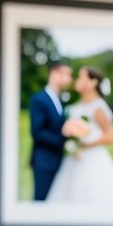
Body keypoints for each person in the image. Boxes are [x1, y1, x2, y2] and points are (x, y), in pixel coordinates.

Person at [47, 66, 113, 205]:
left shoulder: (98, 107)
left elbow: (111, 137)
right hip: (73, 159)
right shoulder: (73, 107)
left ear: (93, 83)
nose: (77, 80)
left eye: (81, 77)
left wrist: (83, 144)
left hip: (93, 159)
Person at [28, 61, 72, 201]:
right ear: (55, 74)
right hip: (44, 161)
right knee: (41, 200)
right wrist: (62, 142)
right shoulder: (39, 99)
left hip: (60, 160)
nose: (70, 79)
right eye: (67, 74)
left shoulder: (61, 100)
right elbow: (37, 131)